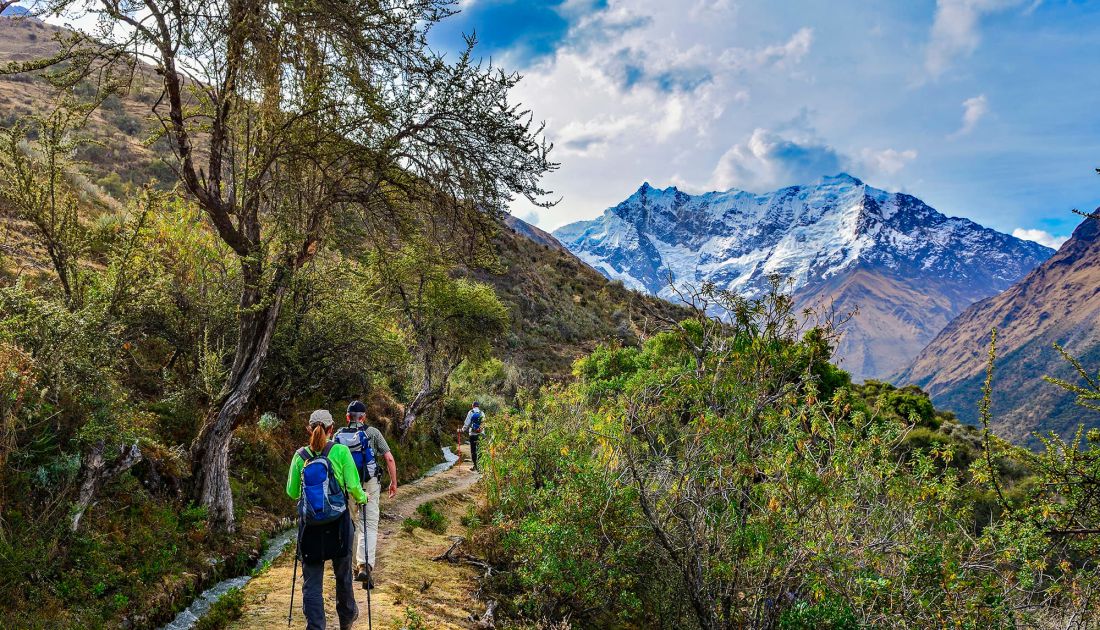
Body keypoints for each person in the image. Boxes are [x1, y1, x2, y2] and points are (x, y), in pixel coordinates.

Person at [286, 409, 370, 630]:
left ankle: (316, 627)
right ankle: (346, 619)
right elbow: (353, 487)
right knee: (343, 577)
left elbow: (292, 492)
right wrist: (364, 497)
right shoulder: (341, 451)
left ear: (309, 429)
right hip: (339, 526)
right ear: (332, 428)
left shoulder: (299, 456)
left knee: (312, 583)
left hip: (310, 528)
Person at [335, 400, 398, 588]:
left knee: (353, 524)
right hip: (369, 483)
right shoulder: (372, 433)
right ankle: (365, 566)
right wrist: (394, 482)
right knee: (369, 524)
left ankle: (355, 568)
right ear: (364, 417)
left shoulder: (338, 434)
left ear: (348, 417)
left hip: (348, 485)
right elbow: (389, 458)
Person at [457, 401, 485, 472]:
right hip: (480, 435)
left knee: (473, 451)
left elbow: (466, 423)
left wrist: (461, 430)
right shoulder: (482, 413)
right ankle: (481, 467)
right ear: (478, 406)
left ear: (473, 406)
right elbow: (483, 423)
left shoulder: (471, 412)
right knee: (480, 450)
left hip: (472, 434)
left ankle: (475, 466)